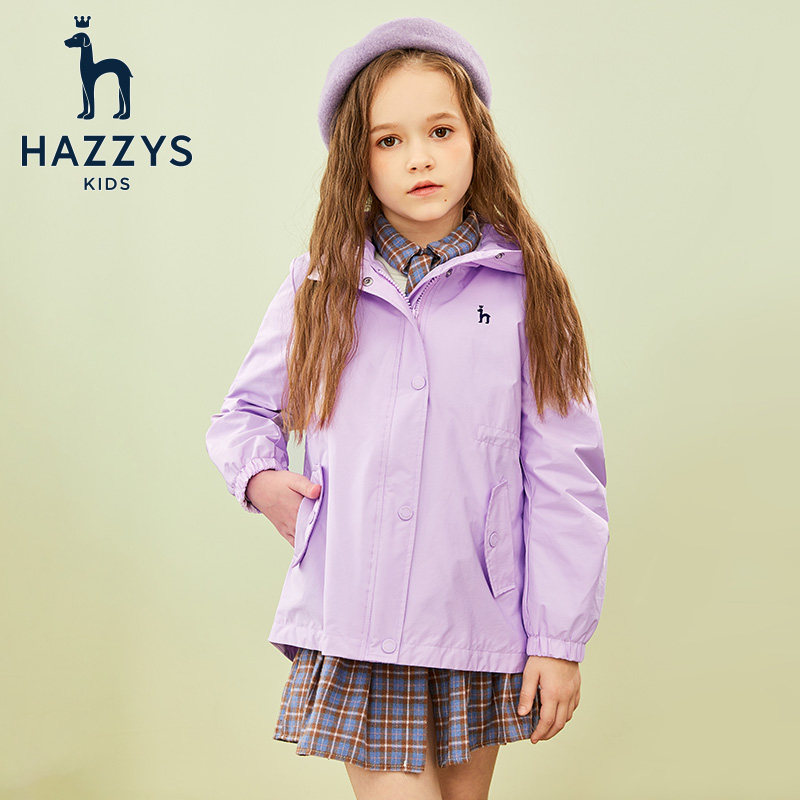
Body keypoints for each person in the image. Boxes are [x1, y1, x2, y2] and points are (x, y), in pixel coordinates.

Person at [205, 16, 610, 800]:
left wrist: (558, 639)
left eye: (440, 131)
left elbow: (567, 478)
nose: (419, 157)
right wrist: (261, 480)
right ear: (356, 163)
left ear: (477, 139)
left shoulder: (527, 293)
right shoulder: (319, 287)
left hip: (478, 622)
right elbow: (243, 414)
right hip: (360, 621)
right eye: (388, 141)